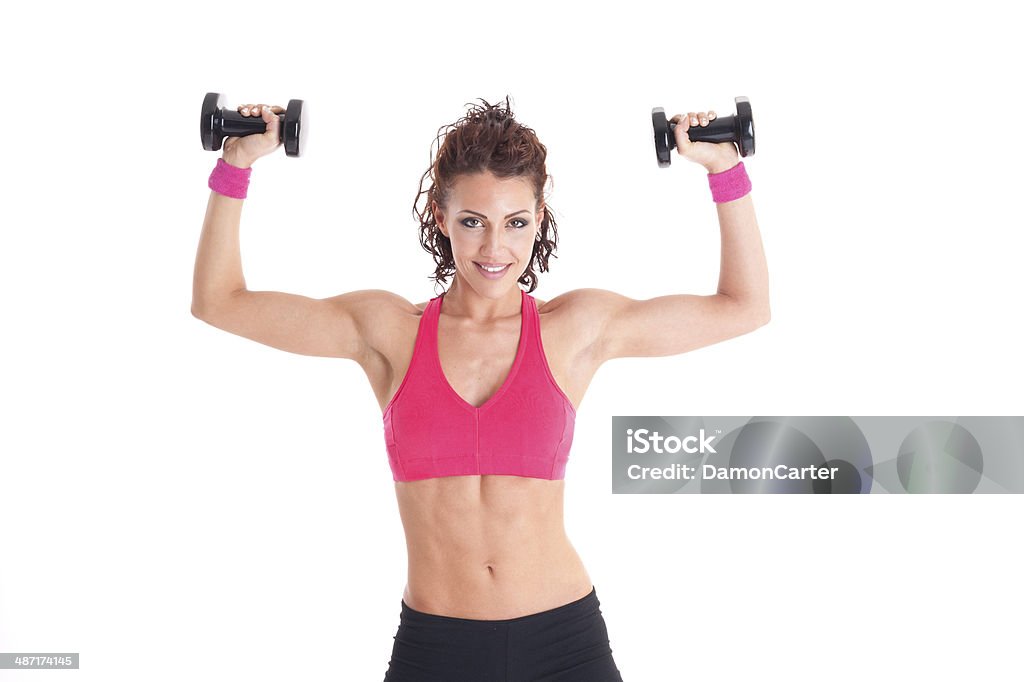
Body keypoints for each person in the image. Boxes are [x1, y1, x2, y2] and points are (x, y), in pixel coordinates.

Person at [192, 95, 769, 681]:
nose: (495, 249)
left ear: (539, 217)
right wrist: (236, 163)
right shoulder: (389, 332)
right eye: (473, 222)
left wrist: (725, 171)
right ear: (441, 218)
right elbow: (220, 303)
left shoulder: (575, 330)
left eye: (516, 222)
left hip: (563, 641)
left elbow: (743, 308)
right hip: (436, 647)